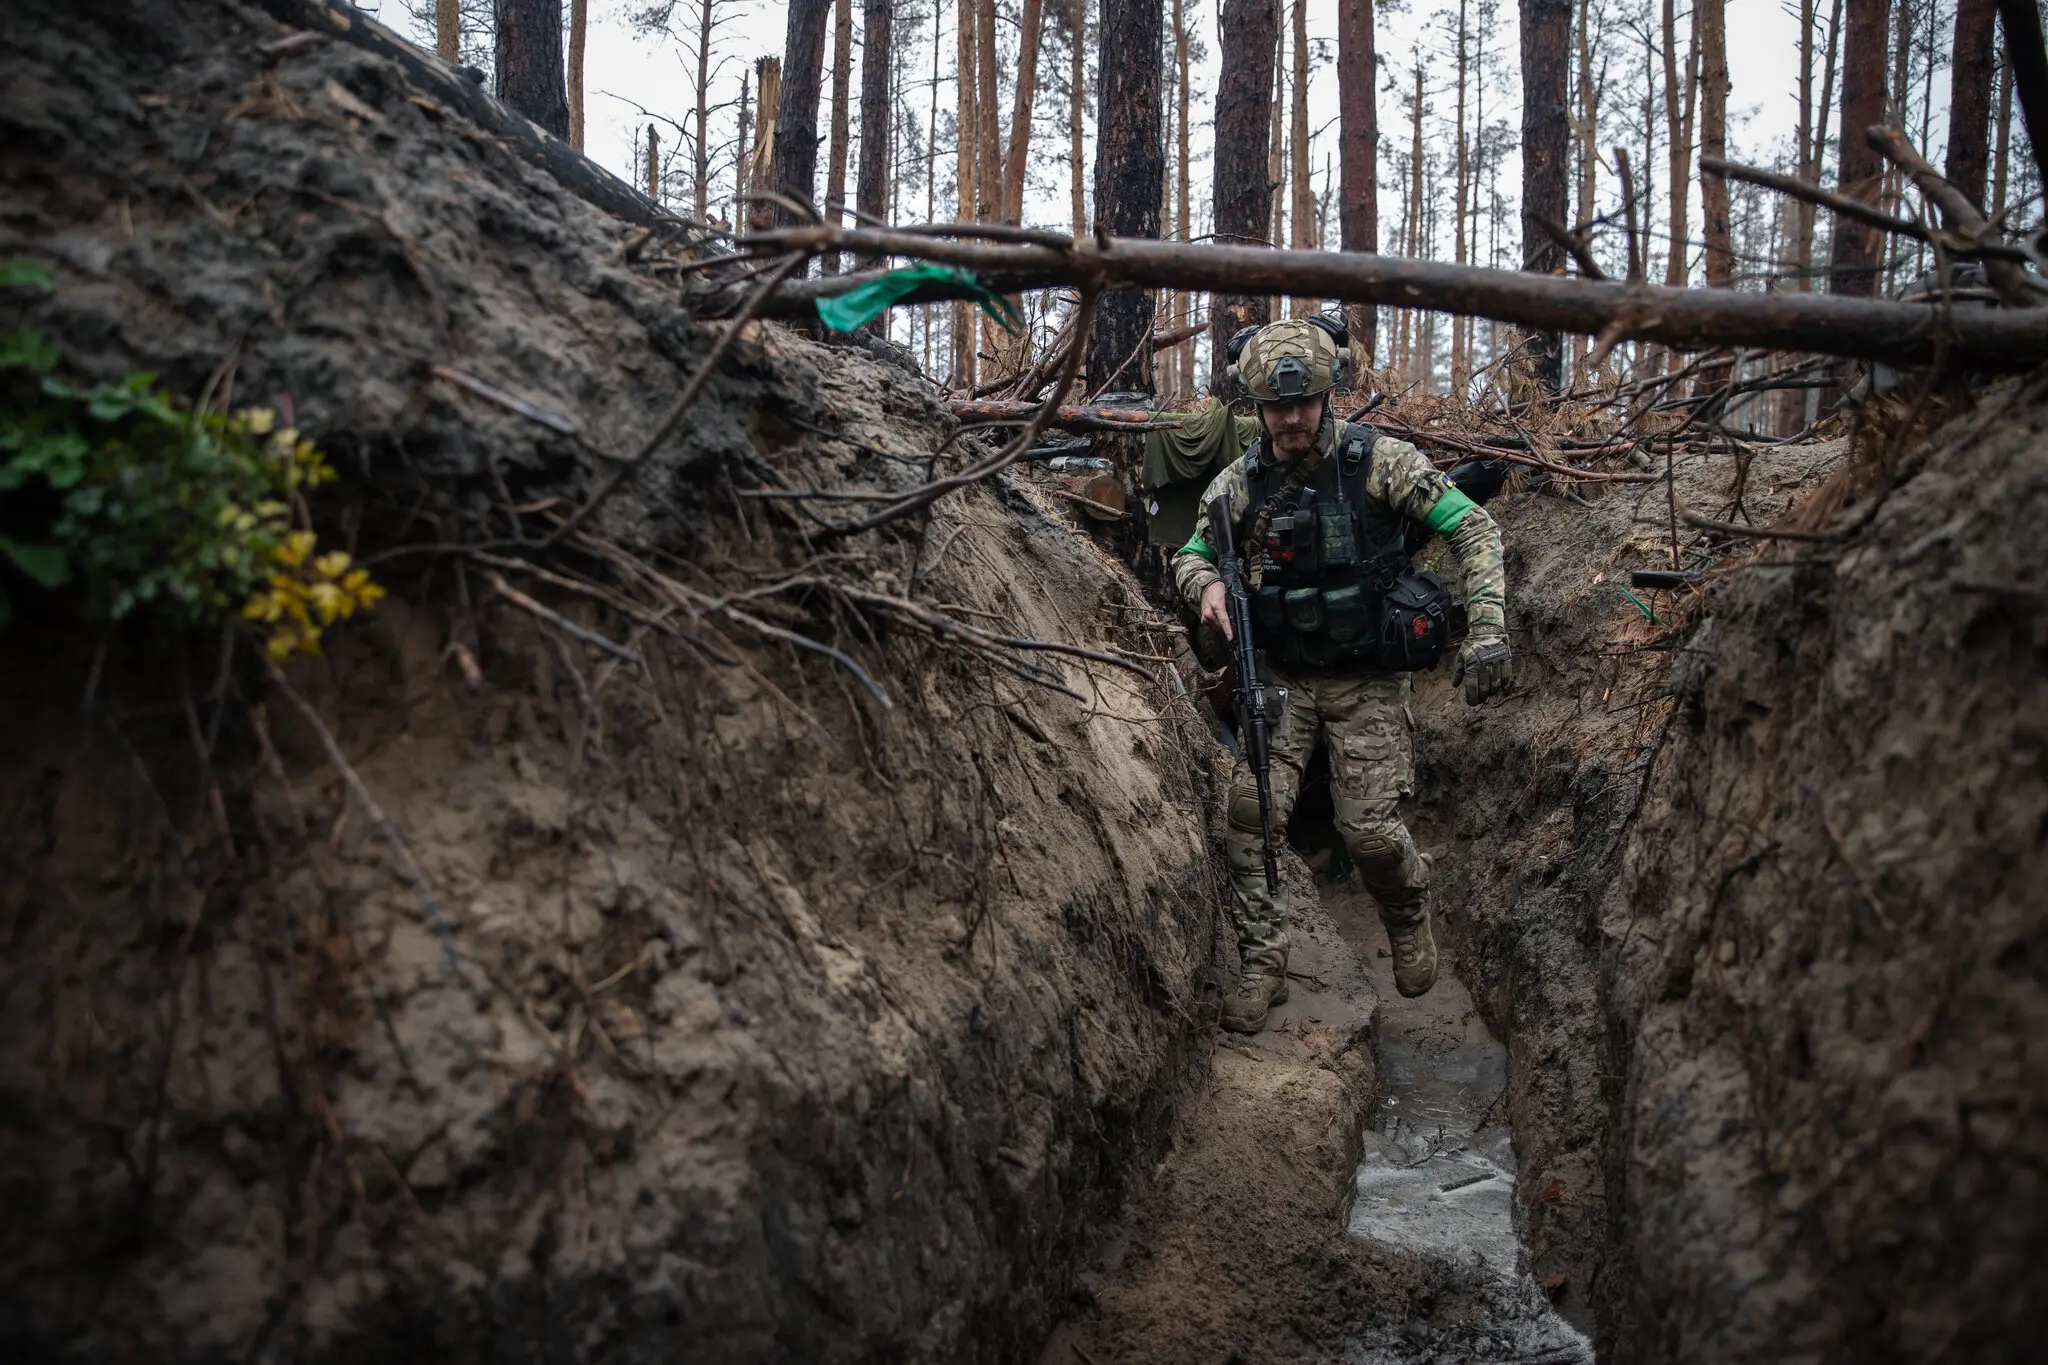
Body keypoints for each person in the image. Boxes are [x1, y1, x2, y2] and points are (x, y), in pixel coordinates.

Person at [1172, 317, 1513, 1033]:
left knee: (1371, 835)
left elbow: (1472, 528)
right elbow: (1191, 551)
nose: (1291, 418)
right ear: (1255, 406)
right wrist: (1202, 580)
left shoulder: (1380, 463)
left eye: (1304, 403)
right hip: (1284, 676)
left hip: (1368, 678)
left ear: (1329, 394)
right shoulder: (1240, 484)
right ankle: (1264, 961)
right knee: (1249, 813)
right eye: (1276, 406)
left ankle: (1405, 912)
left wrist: (1487, 629)